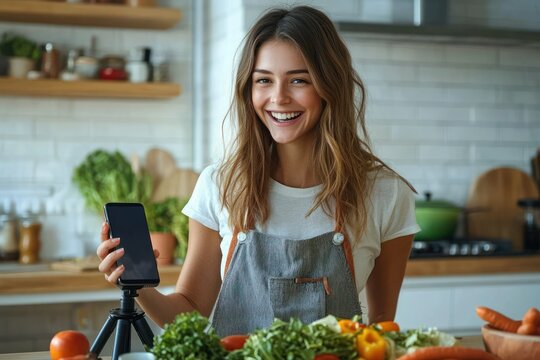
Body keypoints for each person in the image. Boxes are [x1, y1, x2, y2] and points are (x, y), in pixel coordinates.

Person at [97, 5, 420, 337]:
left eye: (299, 80)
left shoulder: (385, 193)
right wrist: (136, 285)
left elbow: (382, 330)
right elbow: (189, 312)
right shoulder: (219, 185)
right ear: (248, 89)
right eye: (264, 80)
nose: (278, 97)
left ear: (329, 86)